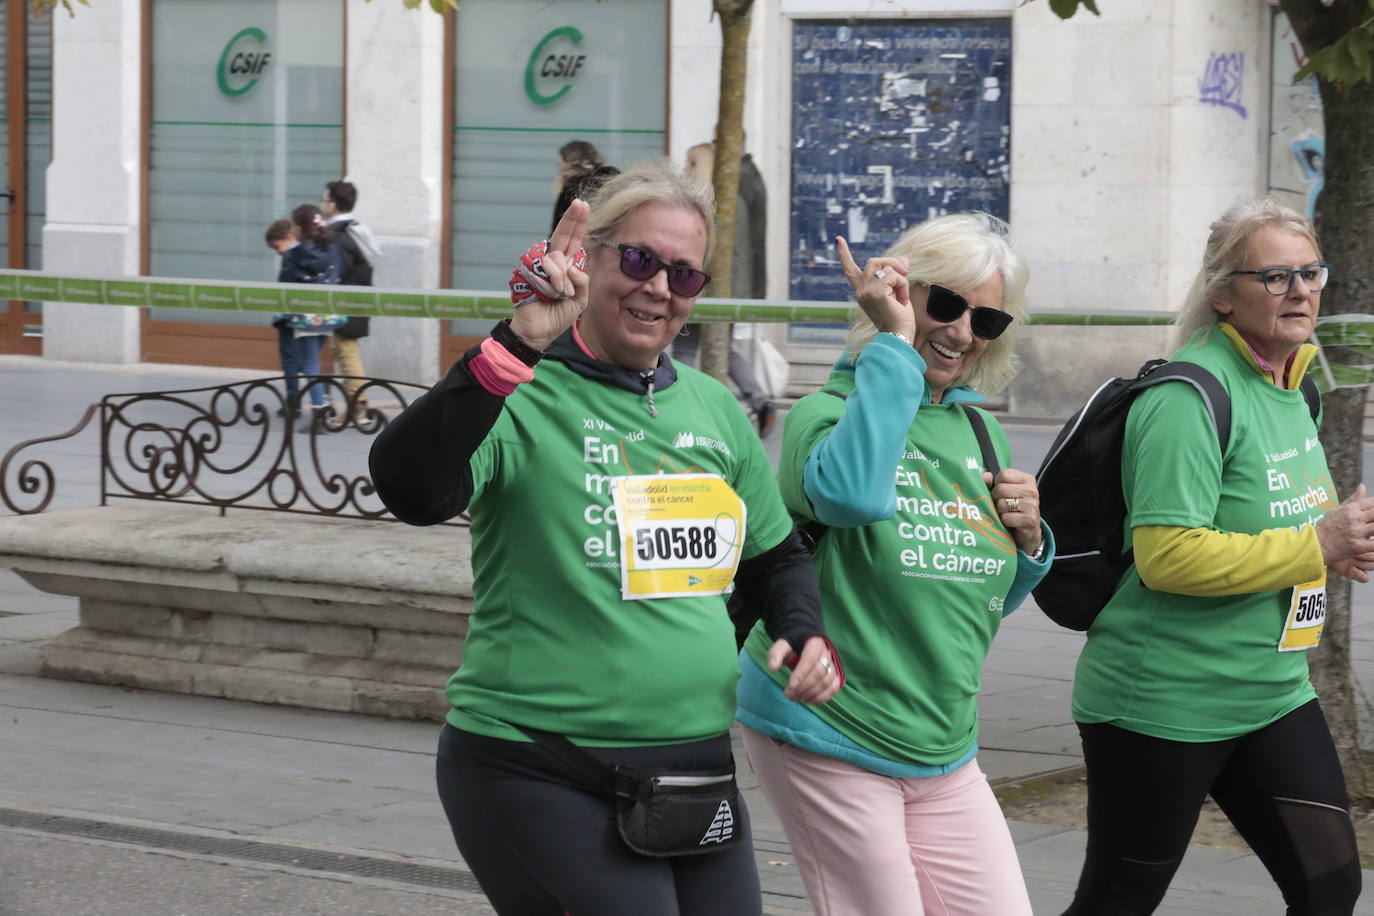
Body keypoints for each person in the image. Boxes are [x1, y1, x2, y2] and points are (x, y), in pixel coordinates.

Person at [368, 160, 842, 916]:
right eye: (641, 260)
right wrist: (514, 345)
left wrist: (803, 632)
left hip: (694, 771)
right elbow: (408, 488)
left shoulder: (716, 411)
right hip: (539, 767)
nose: (659, 287)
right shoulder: (521, 389)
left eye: (684, 276)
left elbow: (776, 557)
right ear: (588, 260)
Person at [735, 213, 1052, 916]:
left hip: (944, 746)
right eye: (945, 304)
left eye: (988, 318)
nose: (963, 332)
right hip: (831, 729)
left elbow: (974, 591)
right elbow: (849, 496)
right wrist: (892, 345)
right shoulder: (827, 413)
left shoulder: (980, 428)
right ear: (900, 294)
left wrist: (1029, 544)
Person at [1063, 198, 1373, 915]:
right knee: (1119, 898)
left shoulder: (1295, 389)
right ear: (1222, 295)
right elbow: (1168, 556)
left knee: (1330, 885)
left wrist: (1338, 544)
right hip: (1163, 702)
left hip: (1271, 694)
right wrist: (1314, 544)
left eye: (1310, 272)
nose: (1299, 291)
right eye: (1274, 276)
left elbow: (1288, 527)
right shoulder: (1186, 398)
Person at [676, 140, 777, 437]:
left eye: (689, 163)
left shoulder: (701, 206)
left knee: (684, 348)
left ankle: (683, 407)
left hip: (702, 286)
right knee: (721, 347)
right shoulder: (733, 201)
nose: (684, 169)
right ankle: (760, 401)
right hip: (730, 289)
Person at [265, 214, 341, 422]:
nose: (278, 252)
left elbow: (287, 286)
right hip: (327, 314)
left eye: (277, 246)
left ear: (293, 233)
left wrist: (283, 313)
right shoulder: (327, 250)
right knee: (312, 361)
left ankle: (317, 410)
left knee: (306, 363)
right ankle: (324, 402)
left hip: (302, 316)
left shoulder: (295, 255)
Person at [321, 179, 382, 420]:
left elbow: (338, 271)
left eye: (325, 200)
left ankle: (359, 407)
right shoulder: (357, 230)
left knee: (346, 352)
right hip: (355, 299)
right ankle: (354, 406)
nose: (322, 205)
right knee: (342, 350)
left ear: (333, 205)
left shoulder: (339, 236)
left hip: (345, 301)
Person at [551, 139, 619, 234]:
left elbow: (558, 231)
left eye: (560, 163)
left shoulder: (570, 191)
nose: (559, 168)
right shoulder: (616, 181)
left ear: (569, 164)